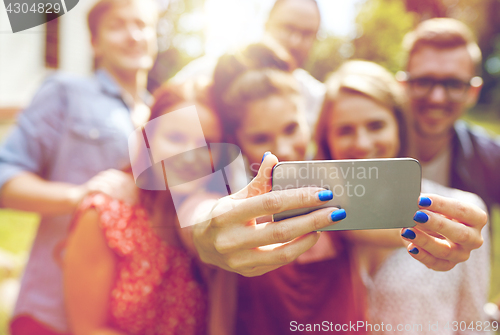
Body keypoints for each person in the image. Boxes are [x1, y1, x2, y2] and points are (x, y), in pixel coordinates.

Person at [179, 55, 487, 333]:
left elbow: (389, 225)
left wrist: (450, 231)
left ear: (309, 128)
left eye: (290, 129)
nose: (283, 149)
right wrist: (206, 229)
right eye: (261, 137)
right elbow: (199, 214)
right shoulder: (238, 202)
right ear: (237, 140)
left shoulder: (334, 194)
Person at [0, 0, 158, 333]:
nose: (132, 36)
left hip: (131, 317)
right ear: (94, 42)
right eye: (117, 26)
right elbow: (5, 179)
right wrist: (79, 195)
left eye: (142, 25)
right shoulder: (66, 93)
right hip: (52, 310)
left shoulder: (166, 117)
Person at [315, 60, 490, 333]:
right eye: (345, 130)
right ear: (327, 140)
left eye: (375, 125)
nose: (361, 143)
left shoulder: (457, 212)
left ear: (398, 126)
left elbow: (473, 325)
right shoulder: (315, 217)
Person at [63, 80, 219, 335]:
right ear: (148, 140)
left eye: (208, 144)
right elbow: (87, 328)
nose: (190, 155)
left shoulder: (209, 222)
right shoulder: (106, 217)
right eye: (175, 138)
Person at [172, 0, 325, 130]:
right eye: (288, 28)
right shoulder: (205, 73)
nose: (295, 42)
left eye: (307, 34)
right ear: (266, 25)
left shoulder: (318, 100)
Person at [401, 18, 500, 211]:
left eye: (454, 84)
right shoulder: (369, 150)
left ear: (473, 92)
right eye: (423, 82)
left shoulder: (492, 157)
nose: (437, 98)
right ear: (404, 86)